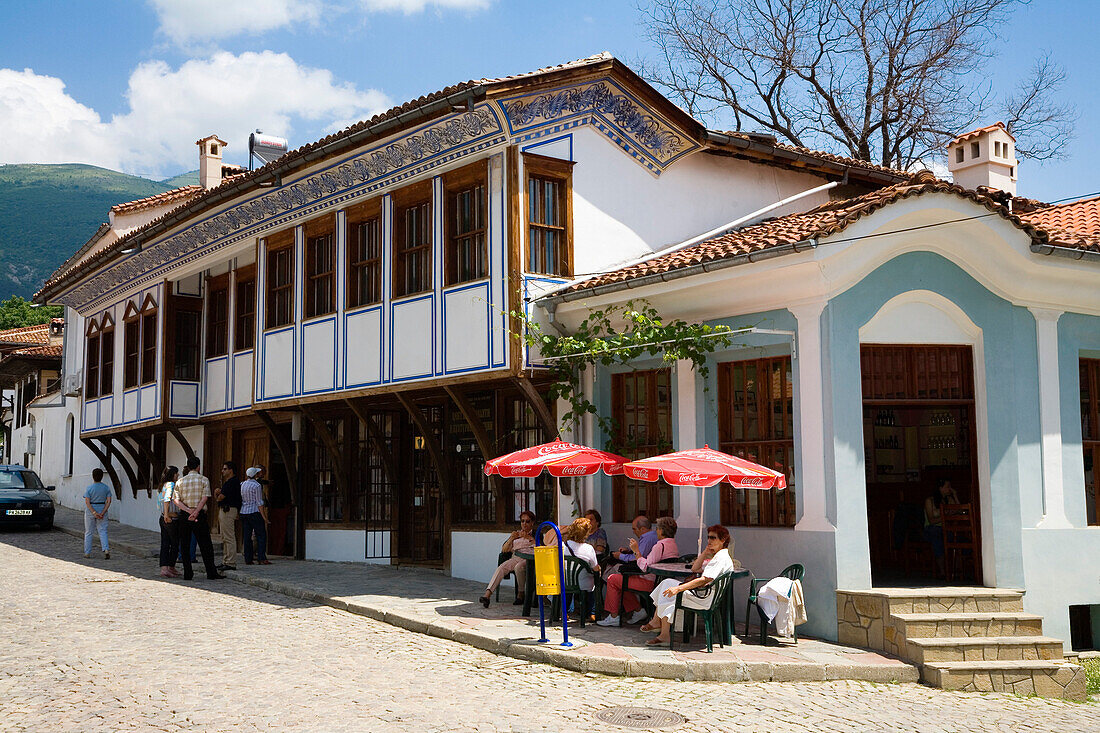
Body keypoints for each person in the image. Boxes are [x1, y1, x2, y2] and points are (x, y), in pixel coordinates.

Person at [647, 525, 735, 646]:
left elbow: (704, 579)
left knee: (671, 595)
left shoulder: (721, 558)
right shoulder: (719, 556)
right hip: (704, 593)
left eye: (713, 538)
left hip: (704, 597)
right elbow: (695, 568)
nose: (709, 540)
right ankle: (657, 622)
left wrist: (678, 588)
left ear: (723, 540)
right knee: (667, 582)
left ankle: (664, 634)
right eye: (708, 537)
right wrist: (705, 552)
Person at [598, 516, 679, 626]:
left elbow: (645, 566)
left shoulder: (660, 546)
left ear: (661, 530)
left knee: (612, 579)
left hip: (649, 581)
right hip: (658, 581)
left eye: (658, 529)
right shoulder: (672, 544)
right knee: (620, 581)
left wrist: (636, 551)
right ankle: (638, 610)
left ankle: (613, 616)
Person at [172, 456, 225, 580]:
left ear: (188, 467)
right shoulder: (204, 479)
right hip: (199, 514)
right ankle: (211, 572)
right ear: (198, 467)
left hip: (185, 515)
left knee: (184, 545)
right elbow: (205, 497)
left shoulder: (180, 481)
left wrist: (188, 510)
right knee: (205, 544)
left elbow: (176, 500)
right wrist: (195, 511)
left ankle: (188, 573)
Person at [480, 510, 536, 608]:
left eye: (527, 521)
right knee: (501, 567)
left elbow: (541, 546)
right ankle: (487, 595)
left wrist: (528, 537)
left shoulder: (536, 534)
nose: (524, 524)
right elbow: (504, 550)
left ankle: (521, 593)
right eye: (522, 521)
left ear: (532, 523)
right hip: (515, 557)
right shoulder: (516, 534)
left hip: (529, 559)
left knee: (519, 567)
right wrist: (511, 539)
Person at [924, 478, 961, 575]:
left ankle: (956, 568)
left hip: (946, 528)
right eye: (948, 487)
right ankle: (942, 571)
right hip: (933, 529)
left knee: (957, 538)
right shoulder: (930, 500)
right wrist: (945, 517)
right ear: (940, 488)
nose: (950, 489)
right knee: (937, 537)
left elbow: (959, 510)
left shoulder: (948, 499)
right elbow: (931, 520)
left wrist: (955, 495)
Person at [561, 516, 601, 596]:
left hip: (565, 583)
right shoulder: (588, 549)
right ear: (587, 533)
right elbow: (595, 569)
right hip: (584, 585)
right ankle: (591, 607)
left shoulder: (562, 546)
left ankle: (569, 607)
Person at [215, 461, 242, 571]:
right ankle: (226, 560)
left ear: (231, 470)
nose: (223, 471)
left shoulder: (232, 482)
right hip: (227, 509)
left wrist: (217, 493)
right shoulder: (230, 482)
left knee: (229, 536)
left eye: (225, 469)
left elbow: (221, 497)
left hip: (228, 510)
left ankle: (230, 561)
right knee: (225, 537)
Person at [240, 466, 270, 565]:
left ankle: (248, 558)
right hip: (254, 512)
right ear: (255, 475)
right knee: (261, 535)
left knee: (247, 536)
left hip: (244, 512)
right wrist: (264, 517)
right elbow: (259, 502)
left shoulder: (242, 484)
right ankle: (261, 557)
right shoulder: (256, 486)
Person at [157, 466, 180, 578]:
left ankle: (164, 568)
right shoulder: (171, 485)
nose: (178, 475)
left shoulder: (163, 485)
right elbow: (167, 499)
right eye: (176, 473)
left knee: (165, 543)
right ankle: (170, 566)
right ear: (172, 474)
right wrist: (167, 514)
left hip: (163, 517)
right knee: (174, 543)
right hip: (170, 518)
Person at [82, 468, 111, 559]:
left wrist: (94, 512)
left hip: (91, 511)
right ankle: (106, 549)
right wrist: (102, 512)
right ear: (102, 477)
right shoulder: (106, 488)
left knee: (89, 532)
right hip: (102, 508)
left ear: (93, 476)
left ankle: (87, 552)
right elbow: (109, 501)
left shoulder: (89, 488)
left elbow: (87, 502)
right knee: (103, 531)